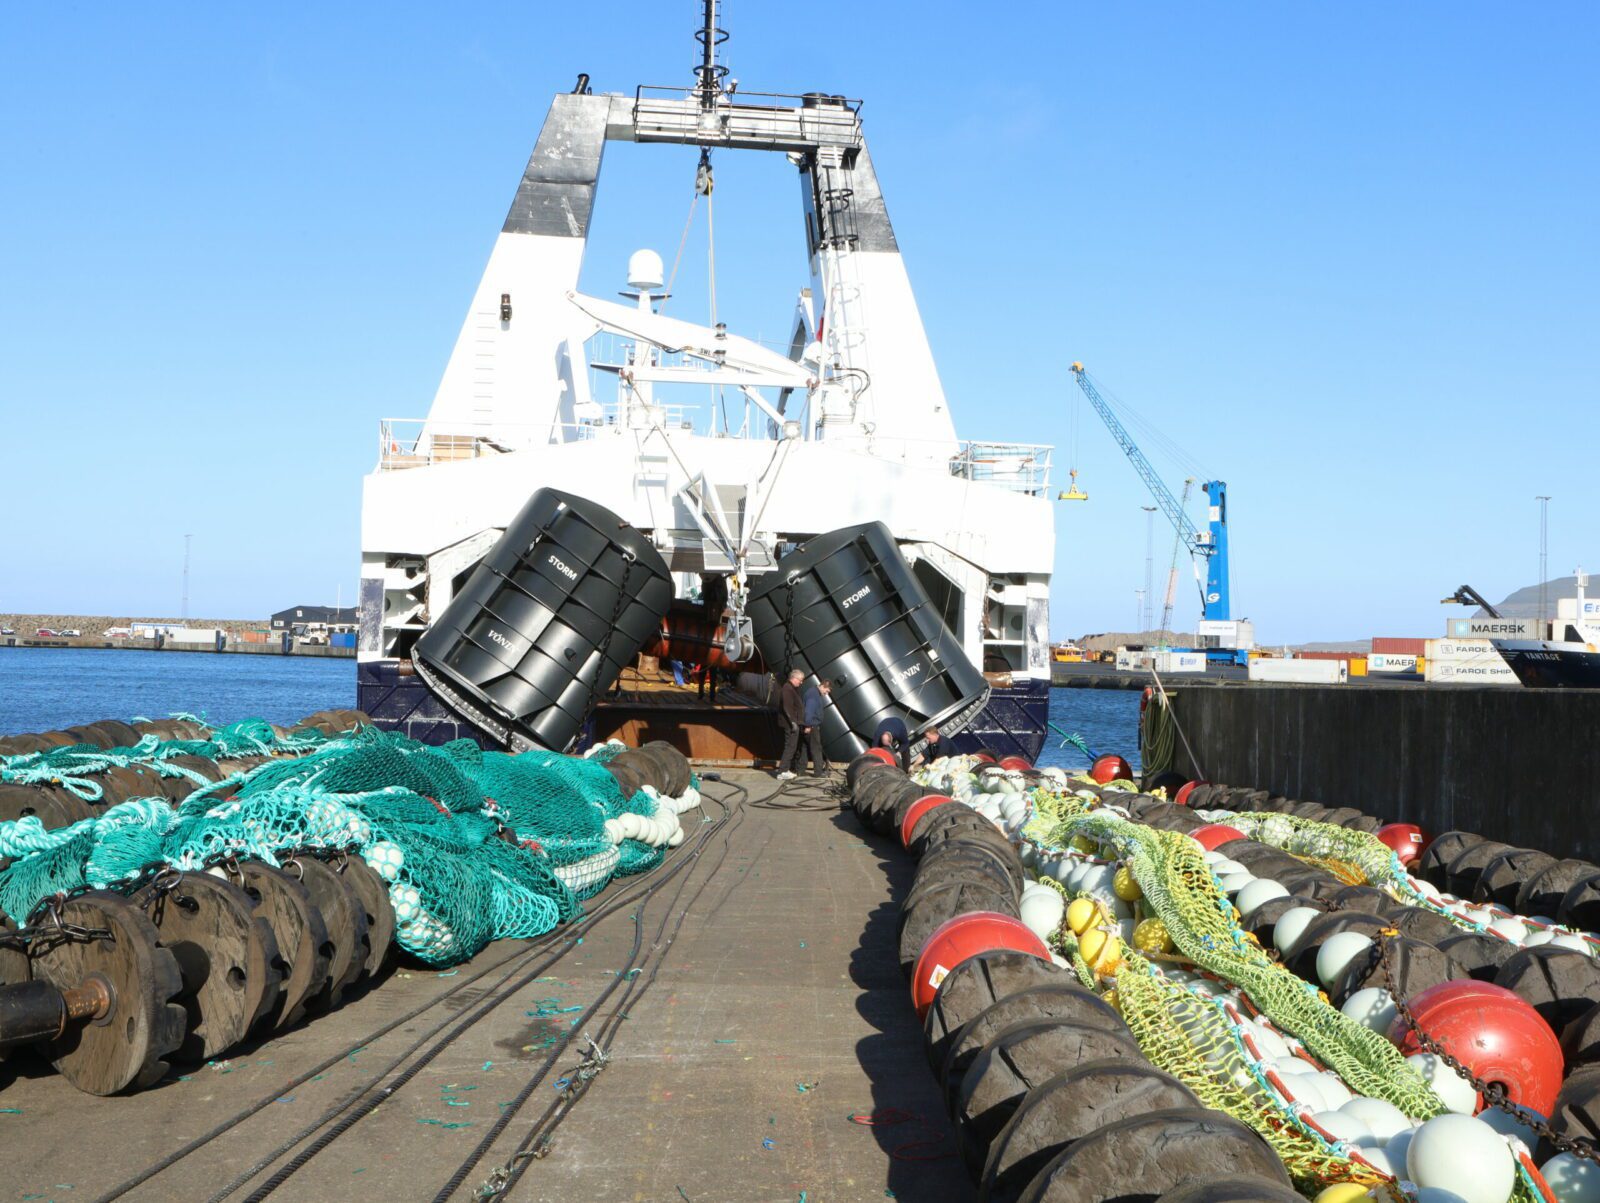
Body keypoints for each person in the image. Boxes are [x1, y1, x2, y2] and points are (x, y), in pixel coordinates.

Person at [776, 668, 805, 780]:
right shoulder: (787, 689)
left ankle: (785, 769)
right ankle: (782, 771)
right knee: (790, 747)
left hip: (793, 723)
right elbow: (787, 707)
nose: (801, 682)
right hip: (790, 724)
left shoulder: (791, 688)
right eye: (800, 680)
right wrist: (793, 722)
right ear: (794, 678)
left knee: (791, 747)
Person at [800, 678, 831, 777]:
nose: (826, 693)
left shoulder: (812, 692)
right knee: (816, 748)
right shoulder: (814, 696)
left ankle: (800, 770)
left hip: (807, 725)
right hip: (811, 726)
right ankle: (818, 772)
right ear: (823, 686)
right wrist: (808, 725)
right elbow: (809, 712)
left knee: (804, 748)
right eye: (827, 691)